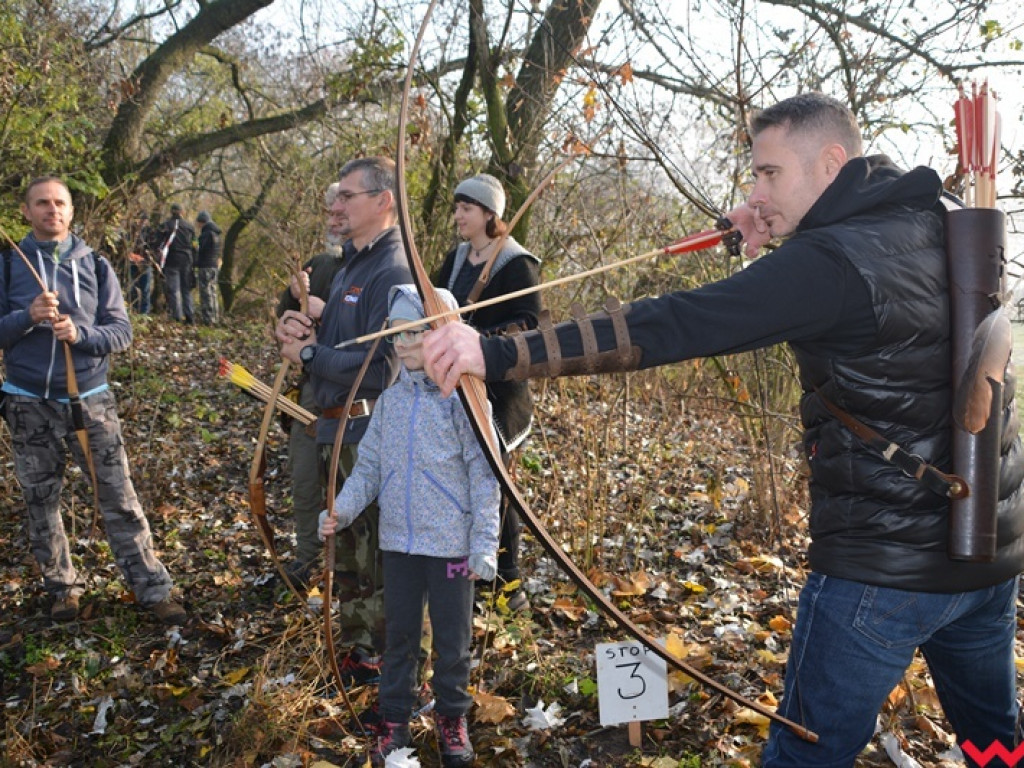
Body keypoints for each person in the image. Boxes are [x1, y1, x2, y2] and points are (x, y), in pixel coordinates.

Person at [422, 93, 1024, 767]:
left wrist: (496, 353)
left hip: (882, 574)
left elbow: (675, 323)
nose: (754, 189)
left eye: (769, 174)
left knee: (805, 756)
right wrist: (783, 224)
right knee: (994, 743)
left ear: (831, 163)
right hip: (988, 554)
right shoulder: (939, 216)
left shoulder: (828, 264)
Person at [319, 284, 499, 768]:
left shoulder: (463, 399)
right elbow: (371, 466)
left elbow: (487, 474)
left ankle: (451, 717)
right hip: (399, 543)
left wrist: (485, 543)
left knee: (452, 641)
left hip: (454, 550)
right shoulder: (392, 402)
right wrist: (343, 509)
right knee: (397, 637)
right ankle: (394, 719)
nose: (401, 344)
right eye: (396, 334)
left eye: (413, 332)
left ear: (440, 332)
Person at [0, 176, 187, 625]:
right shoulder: (8, 264)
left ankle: (152, 589)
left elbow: (121, 332)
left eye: (60, 203)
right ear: (26, 212)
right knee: (41, 502)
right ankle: (63, 591)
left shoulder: (96, 265)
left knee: (118, 496)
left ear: (71, 209)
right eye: (42, 203)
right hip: (27, 403)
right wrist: (26, 318)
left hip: (89, 401)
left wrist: (80, 334)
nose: (52, 210)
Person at [277, 157, 412, 684]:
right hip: (335, 428)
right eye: (334, 196)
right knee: (349, 553)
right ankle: (359, 649)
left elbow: (384, 367)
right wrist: (305, 325)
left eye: (347, 196)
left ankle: (383, 660)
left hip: (368, 432)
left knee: (373, 553)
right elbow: (335, 343)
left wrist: (310, 357)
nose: (335, 206)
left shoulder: (393, 270)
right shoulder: (351, 264)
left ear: (383, 202)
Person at [433, 172, 541, 611]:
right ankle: (467, 575)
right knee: (457, 482)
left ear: (489, 215)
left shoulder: (518, 264)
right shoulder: (457, 260)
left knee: (494, 484)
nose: (458, 215)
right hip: (455, 389)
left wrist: (477, 337)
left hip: (499, 394)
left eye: (466, 208)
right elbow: (433, 305)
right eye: (457, 207)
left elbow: (530, 327)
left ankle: (507, 581)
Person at [275, 182, 346, 591]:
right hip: (310, 393)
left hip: (353, 396)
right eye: (330, 214)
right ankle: (307, 559)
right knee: (305, 479)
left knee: (347, 486)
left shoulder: (377, 269)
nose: (335, 221)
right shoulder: (316, 265)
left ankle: (343, 570)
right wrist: (290, 315)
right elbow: (281, 327)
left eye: (343, 212)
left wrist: (324, 313)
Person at [158, 202, 195, 324]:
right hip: (186, 260)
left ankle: (177, 316)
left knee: (174, 290)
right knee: (186, 289)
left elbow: (159, 243)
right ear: (182, 212)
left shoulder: (165, 226)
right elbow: (195, 245)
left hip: (171, 260)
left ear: (171, 212)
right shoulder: (189, 227)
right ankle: (189, 315)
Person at [195, 210, 222, 325]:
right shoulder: (216, 233)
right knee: (213, 292)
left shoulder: (206, 234)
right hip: (214, 266)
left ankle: (208, 319)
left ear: (202, 222)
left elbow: (201, 250)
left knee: (206, 293)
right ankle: (215, 317)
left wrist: (195, 248)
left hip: (205, 266)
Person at [128, 211, 155, 314]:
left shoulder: (151, 232)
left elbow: (154, 248)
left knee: (145, 289)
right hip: (132, 263)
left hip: (145, 263)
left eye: (144, 220)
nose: (142, 222)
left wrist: (145, 257)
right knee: (132, 288)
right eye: (140, 220)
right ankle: (133, 310)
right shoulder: (131, 232)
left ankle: (144, 313)